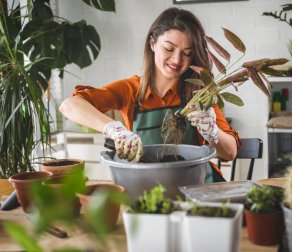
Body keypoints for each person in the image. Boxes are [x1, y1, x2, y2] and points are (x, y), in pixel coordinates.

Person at [59, 7, 240, 183]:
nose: (177, 60)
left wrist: (212, 133)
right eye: (169, 49)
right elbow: (69, 105)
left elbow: (230, 152)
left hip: (199, 187)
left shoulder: (199, 95)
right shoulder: (130, 90)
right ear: (152, 43)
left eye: (187, 53)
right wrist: (115, 130)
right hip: (148, 188)